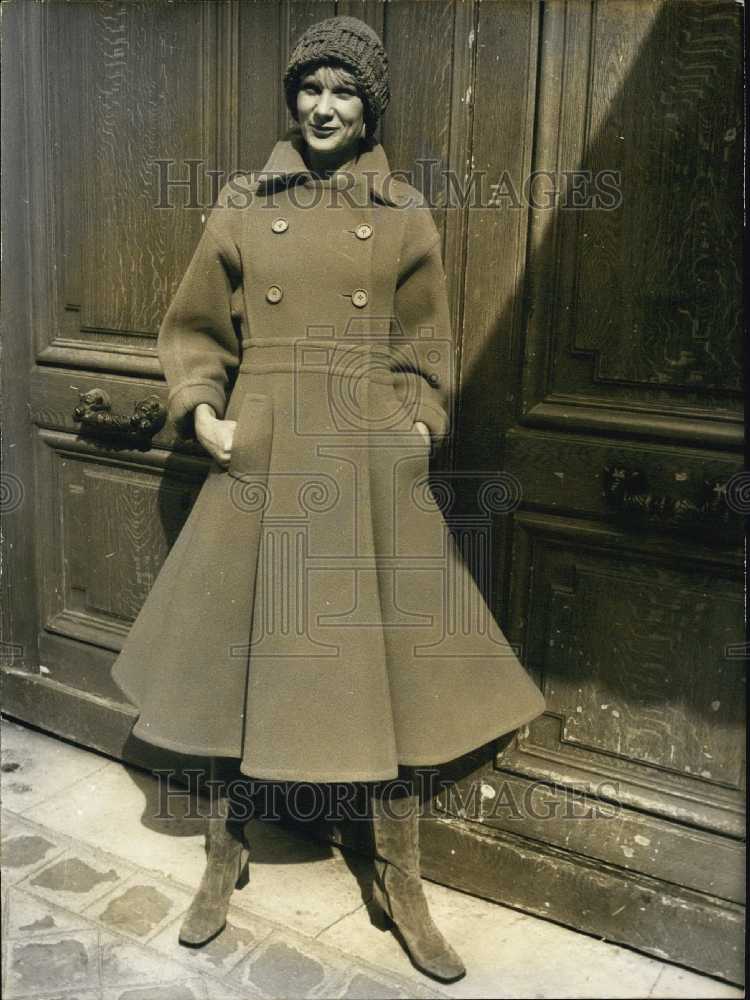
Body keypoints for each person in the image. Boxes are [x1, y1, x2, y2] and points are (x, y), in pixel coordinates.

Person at [111, 15, 545, 983]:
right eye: (311, 87)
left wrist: (420, 425)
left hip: (364, 456)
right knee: (237, 659)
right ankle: (226, 854)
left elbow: (429, 344)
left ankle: (401, 874)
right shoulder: (239, 202)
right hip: (262, 451)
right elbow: (191, 326)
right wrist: (200, 409)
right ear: (292, 97)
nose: (324, 107)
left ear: (369, 105)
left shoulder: (401, 211)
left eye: (345, 91)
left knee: (387, 668)